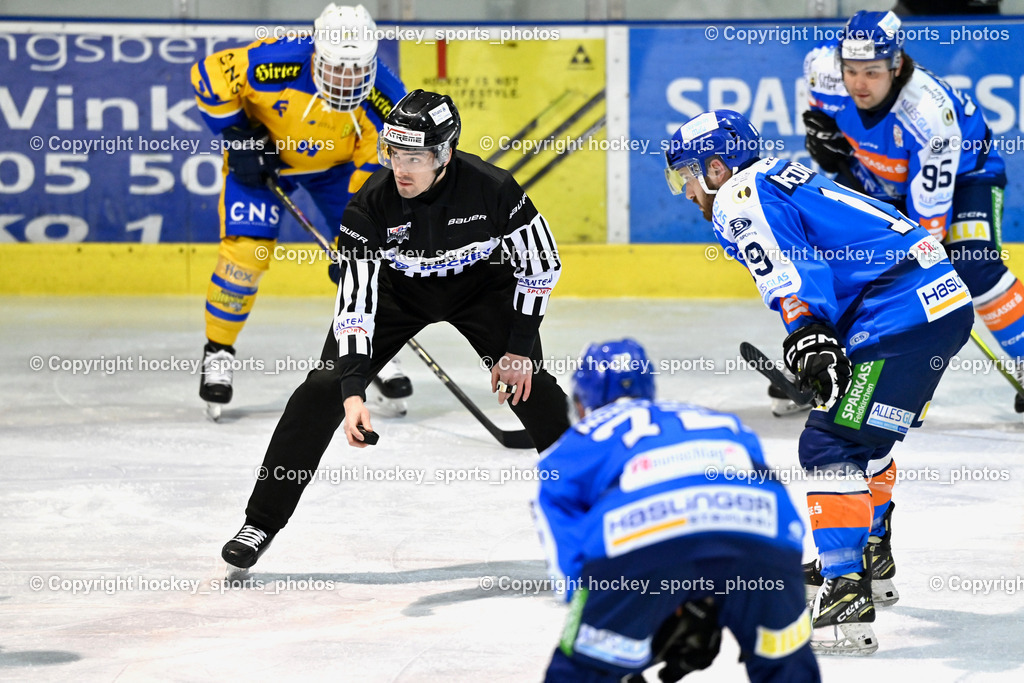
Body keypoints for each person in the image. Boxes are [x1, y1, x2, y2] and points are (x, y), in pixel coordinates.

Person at [219, 90, 571, 571]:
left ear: (443, 154)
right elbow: (355, 306)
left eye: (414, 157)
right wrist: (351, 389)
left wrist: (519, 348)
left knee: (533, 392)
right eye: (393, 153)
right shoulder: (369, 206)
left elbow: (541, 264)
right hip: (396, 294)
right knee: (318, 391)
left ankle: (601, 506)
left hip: (482, 288)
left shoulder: (494, 188)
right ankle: (260, 521)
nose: (400, 168)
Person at [665, 109, 973, 653]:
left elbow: (792, 266)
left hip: (896, 310)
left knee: (830, 442)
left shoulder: (738, 195)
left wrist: (810, 334)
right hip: (936, 299)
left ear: (716, 167)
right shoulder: (780, 174)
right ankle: (871, 555)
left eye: (686, 176)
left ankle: (846, 591)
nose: (686, 192)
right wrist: (827, 339)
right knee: (866, 433)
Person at [532, 338, 820, 682]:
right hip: (765, 535)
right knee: (785, 666)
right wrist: (708, 601)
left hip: (643, 543)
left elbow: (573, 576)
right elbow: (768, 500)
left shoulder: (573, 446)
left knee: (580, 671)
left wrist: (641, 629)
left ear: (580, 402)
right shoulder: (718, 421)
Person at [190, 3, 411, 419]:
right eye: (336, 67)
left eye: (358, 69)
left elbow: (375, 178)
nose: (348, 80)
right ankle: (217, 352)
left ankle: (374, 354)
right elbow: (208, 75)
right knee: (245, 257)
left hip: (338, 172)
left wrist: (356, 241)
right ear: (315, 53)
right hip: (263, 162)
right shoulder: (275, 62)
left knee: (371, 261)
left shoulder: (387, 97)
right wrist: (240, 136)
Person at [802, 11, 1024, 415]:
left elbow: (926, 236)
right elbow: (822, 118)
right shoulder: (822, 71)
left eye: (871, 72)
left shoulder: (927, 115)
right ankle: (827, 366)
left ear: (897, 64)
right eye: (850, 70)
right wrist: (830, 144)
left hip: (965, 177)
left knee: (974, 266)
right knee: (838, 260)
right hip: (881, 174)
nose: (858, 83)